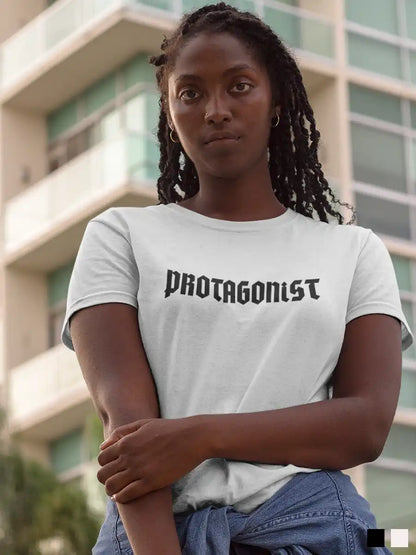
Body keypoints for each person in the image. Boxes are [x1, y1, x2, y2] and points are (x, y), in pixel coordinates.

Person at [61, 3, 414, 554]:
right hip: (157, 536)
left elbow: (366, 425)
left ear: (275, 103)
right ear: (170, 112)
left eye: (240, 86)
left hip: (320, 531)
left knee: (401, 539)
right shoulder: (121, 237)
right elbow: (129, 439)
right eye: (191, 93)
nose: (216, 109)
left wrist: (204, 436)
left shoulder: (353, 251)